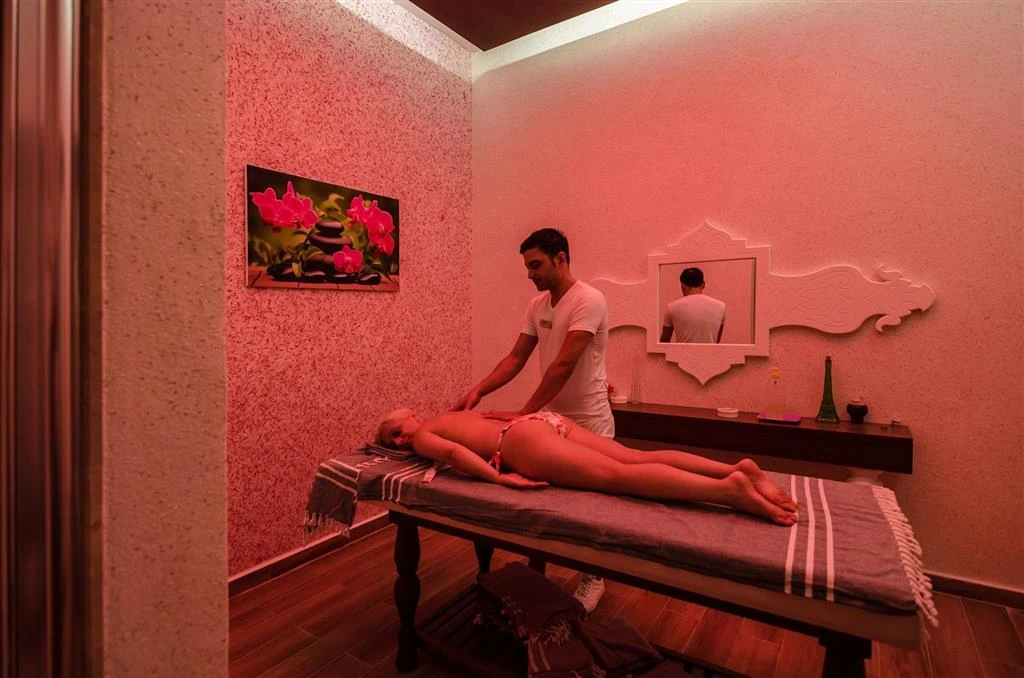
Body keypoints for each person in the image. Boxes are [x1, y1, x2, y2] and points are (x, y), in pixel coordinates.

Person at [451, 227, 614, 611]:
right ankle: (536, 568)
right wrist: (478, 391)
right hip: (552, 420)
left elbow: (564, 364)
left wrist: (525, 413)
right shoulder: (537, 305)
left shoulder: (589, 300)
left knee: (587, 506)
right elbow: (515, 358)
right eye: (527, 266)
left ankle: (593, 576)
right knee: (544, 499)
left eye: (536, 265)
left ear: (561, 258)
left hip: (590, 418)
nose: (530, 273)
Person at [377, 408, 798, 526]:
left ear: (408, 423)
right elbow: (492, 417)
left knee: (619, 477)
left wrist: (500, 477)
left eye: (395, 433)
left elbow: (455, 456)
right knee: (635, 457)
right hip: (542, 421)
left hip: (519, 441)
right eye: (392, 441)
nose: (400, 442)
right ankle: (734, 468)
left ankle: (728, 491)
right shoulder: (451, 414)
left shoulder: (425, 434)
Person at [660, 267, 726, 344]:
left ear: (683, 286)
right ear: (703, 285)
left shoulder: (672, 307)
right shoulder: (721, 306)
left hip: (682, 352)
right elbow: (716, 341)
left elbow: (664, 342)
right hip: (710, 352)